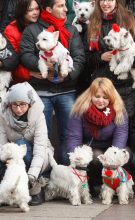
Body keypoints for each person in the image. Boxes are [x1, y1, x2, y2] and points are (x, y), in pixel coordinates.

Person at [19, 0, 85, 163]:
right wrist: (42, 67)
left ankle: (67, 176)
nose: (66, 9)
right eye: (61, 6)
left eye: (65, 5)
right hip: (41, 91)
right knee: (42, 137)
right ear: (49, 9)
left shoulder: (70, 29)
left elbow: (79, 58)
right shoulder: (32, 30)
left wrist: (67, 75)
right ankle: (45, 176)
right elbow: (25, 54)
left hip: (67, 90)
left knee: (69, 136)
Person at [85, 0, 135, 118]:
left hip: (126, 88)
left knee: (124, 125)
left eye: (110, 0)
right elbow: (86, 57)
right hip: (102, 87)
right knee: (101, 125)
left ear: (116, 2)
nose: (105, 3)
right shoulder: (92, 22)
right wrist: (100, 57)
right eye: (102, 0)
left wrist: (128, 61)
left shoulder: (128, 20)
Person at [64, 77, 128, 191]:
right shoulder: (80, 109)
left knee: (127, 154)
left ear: (111, 97)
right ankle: (88, 184)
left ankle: (116, 184)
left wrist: (112, 157)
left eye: (105, 97)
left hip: (110, 148)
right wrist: (76, 157)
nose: (101, 100)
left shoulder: (119, 111)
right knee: (94, 156)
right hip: (87, 147)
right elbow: (74, 137)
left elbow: (121, 135)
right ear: (91, 95)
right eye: (97, 96)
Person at [0, 82, 53, 205]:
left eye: (23, 105)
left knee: (21, 143)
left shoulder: (39, 116)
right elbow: (1, 145)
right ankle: (7, 191)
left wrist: (31, 177)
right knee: (14, 148)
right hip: (14, 156)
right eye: (15, 105)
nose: (18, 109)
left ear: (30, 104)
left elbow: (40, 149)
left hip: (41, 154)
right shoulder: (2, 116)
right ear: (9, 105)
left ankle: (37, 188)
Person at [4, 0, 41, 83]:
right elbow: (11, 60)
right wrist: (28, 73)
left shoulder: (42, 24)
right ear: (22, 11)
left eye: (37, 9)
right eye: (30, 10)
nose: (35, 13)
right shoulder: (11, 30)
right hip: (22, 80)